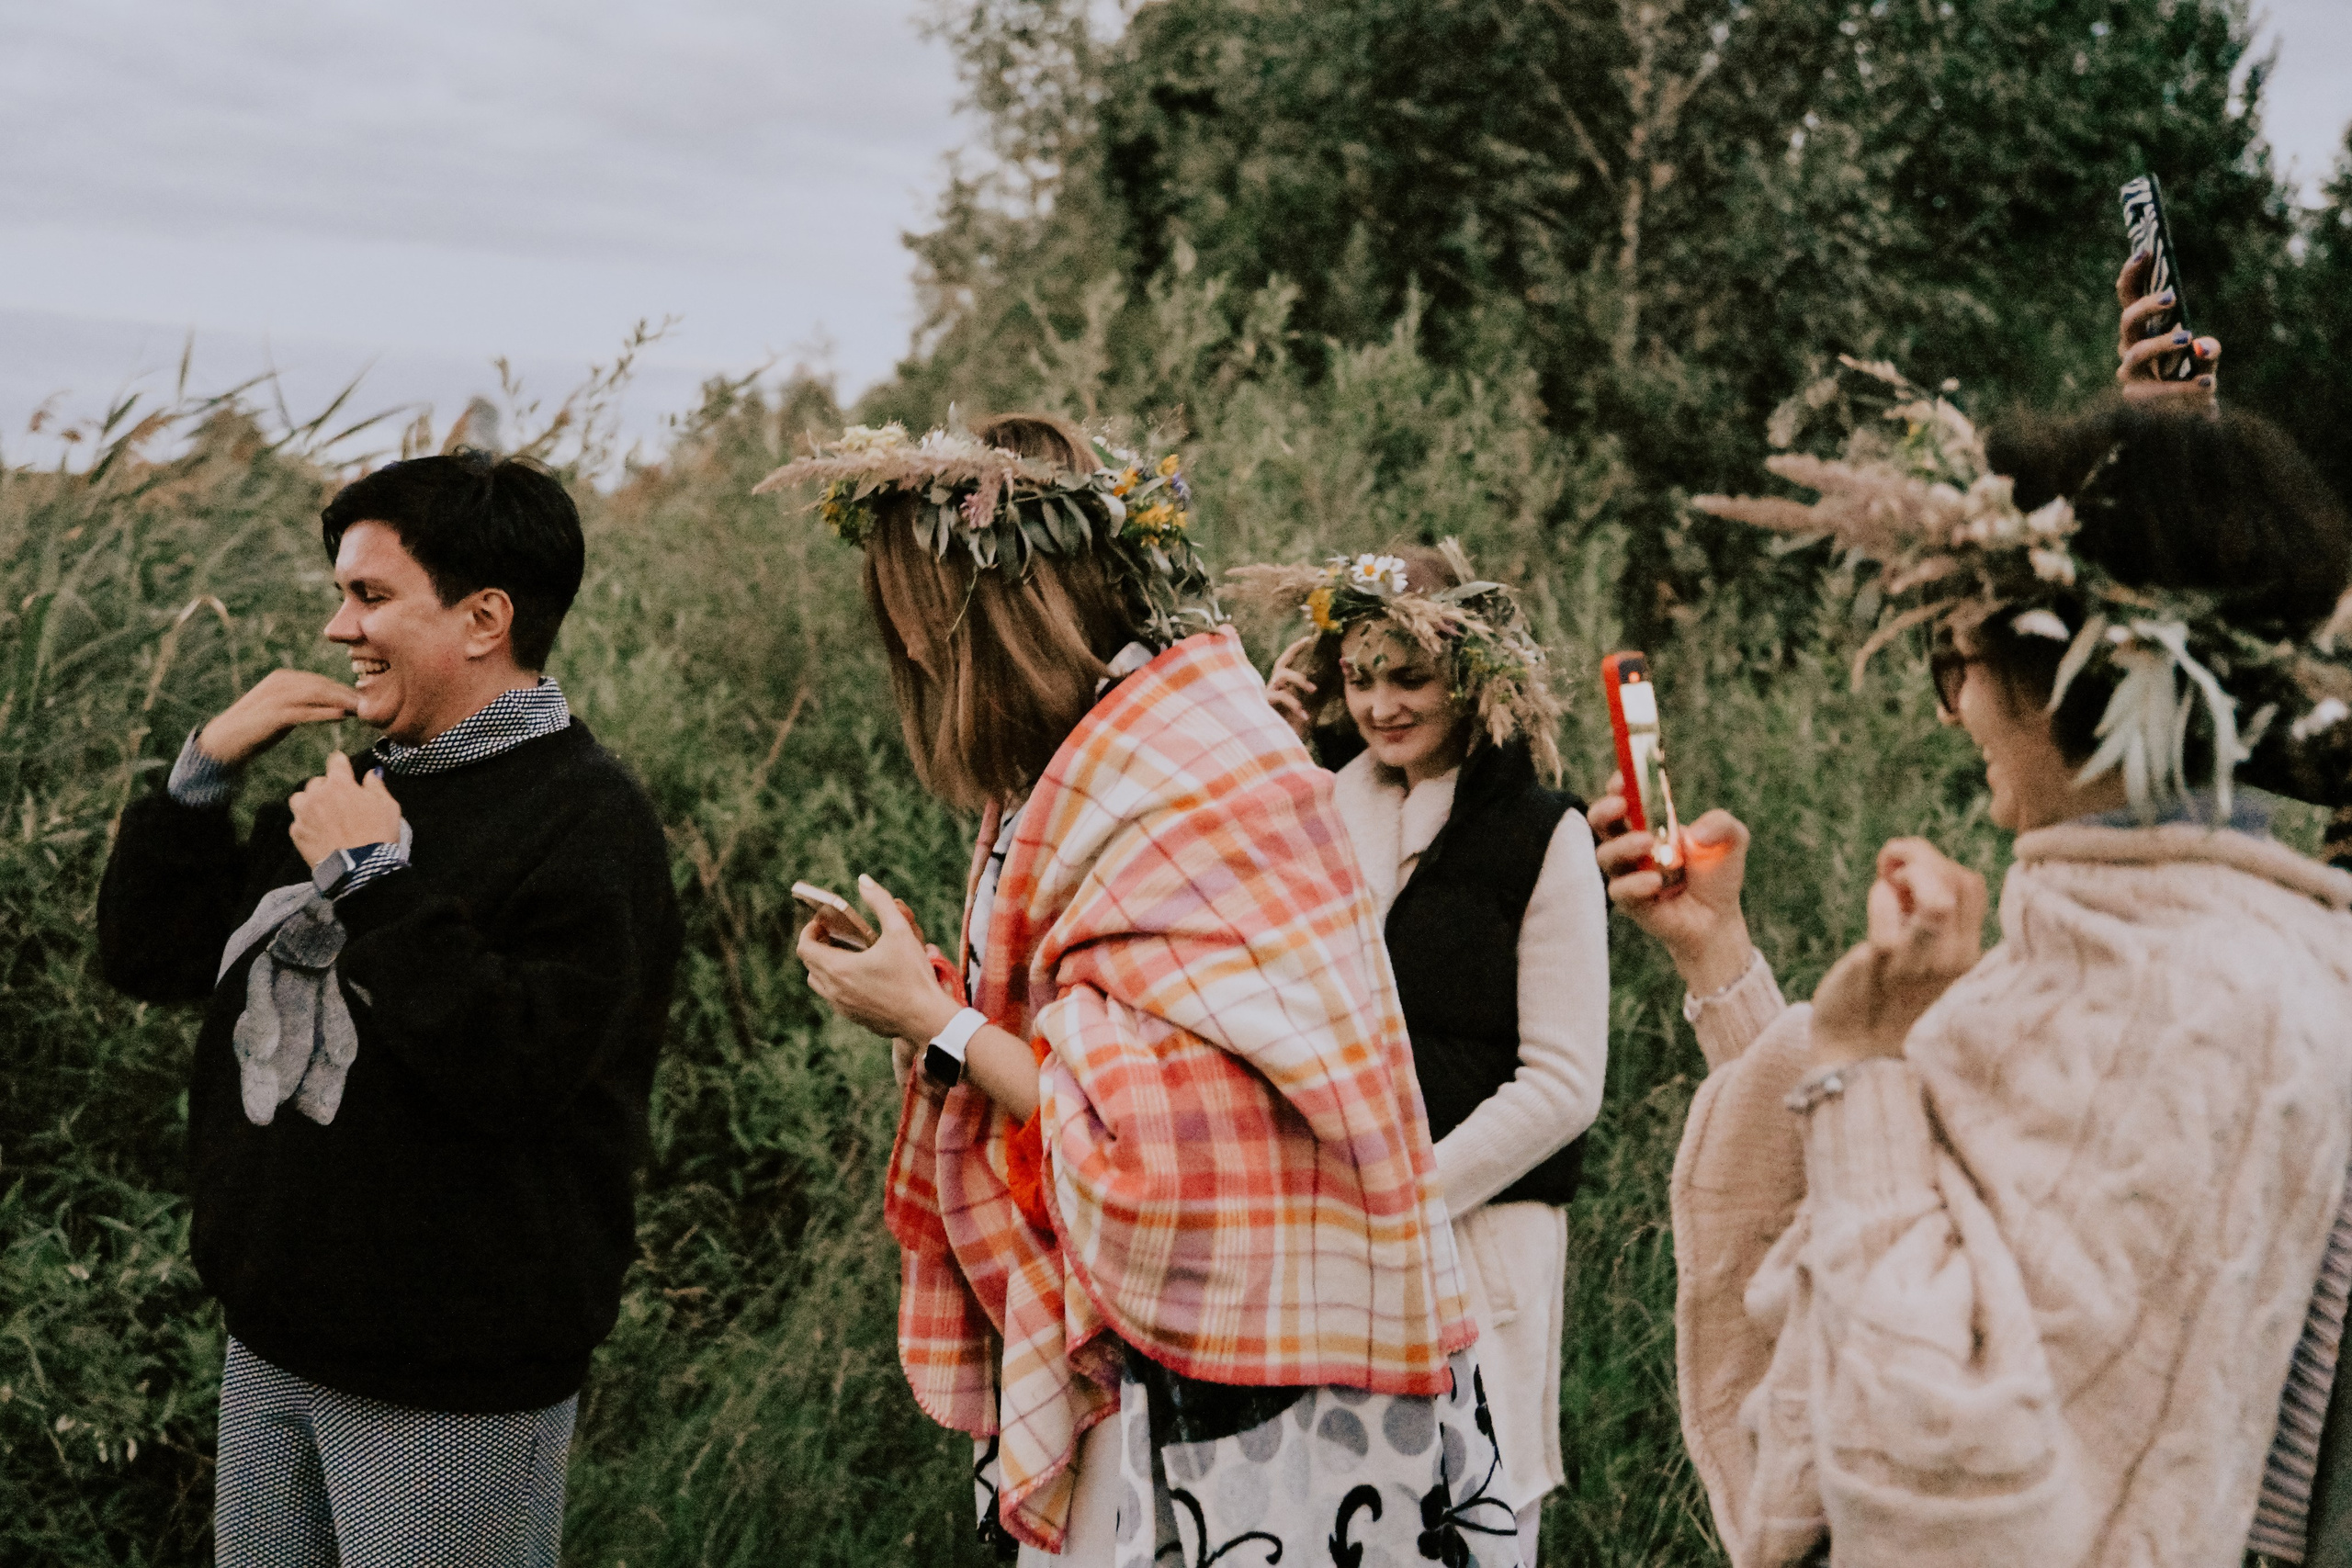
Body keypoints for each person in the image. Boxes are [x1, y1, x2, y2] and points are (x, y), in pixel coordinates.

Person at [1601, 369, 2352, 1564]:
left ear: (2081, 676)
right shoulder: (2213, 952)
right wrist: (1723, 960)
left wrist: (1863, 1069)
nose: (1955, 708)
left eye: (1960, 657)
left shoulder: (2175, 1003)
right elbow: (1941, 1223)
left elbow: (1949, 1479)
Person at [765, 414, 1522, 1567]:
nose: (909, 649)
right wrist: (932, 1004)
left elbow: (1153, 1154)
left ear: (1008, 603)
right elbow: (1092, 1053)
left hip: (1262, 1396)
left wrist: (936, 1022)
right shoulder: (1094, 762)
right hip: (1155, 1362)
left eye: (924, 618)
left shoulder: (1188, 770)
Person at [96, 451, 683, 1568]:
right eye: (341, 595)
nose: (338, 628)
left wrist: (373, 881)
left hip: (450, 1378)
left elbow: (520, 1067)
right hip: (272, 1343)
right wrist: (202, 774)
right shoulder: (353, 794)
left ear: (484, 619)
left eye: (369, 595)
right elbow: (155, 959)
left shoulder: (588, 823)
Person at [1238, 541, 1610, 1564]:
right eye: (1359, 677)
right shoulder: (1315, 800)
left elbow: (1564, 1083)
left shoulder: (1544, 834)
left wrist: (1403, 1201)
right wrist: (1266, 759)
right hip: (1322, 1251)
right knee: (1326, 1525)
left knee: (1471, 1521)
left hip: (1475, 1241)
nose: (1380, 704)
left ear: (1472, 673)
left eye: (1408, 676)